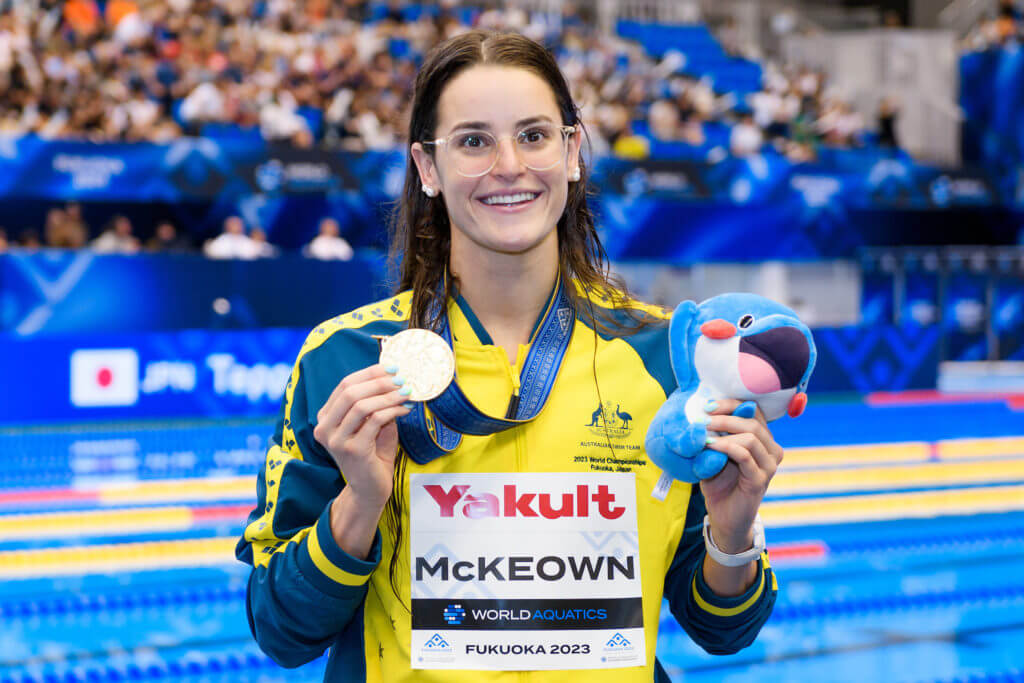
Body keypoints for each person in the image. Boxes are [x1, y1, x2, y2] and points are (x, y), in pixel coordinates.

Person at [236, 30, 781, 682]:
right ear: (427, 168)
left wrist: (733, 527)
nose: (509, 165)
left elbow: (723, 627)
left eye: (533, 135)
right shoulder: (347, 359)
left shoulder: (665, 356)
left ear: (573, 151)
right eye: (473, 141)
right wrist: (359, 502)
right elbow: (280, 629)